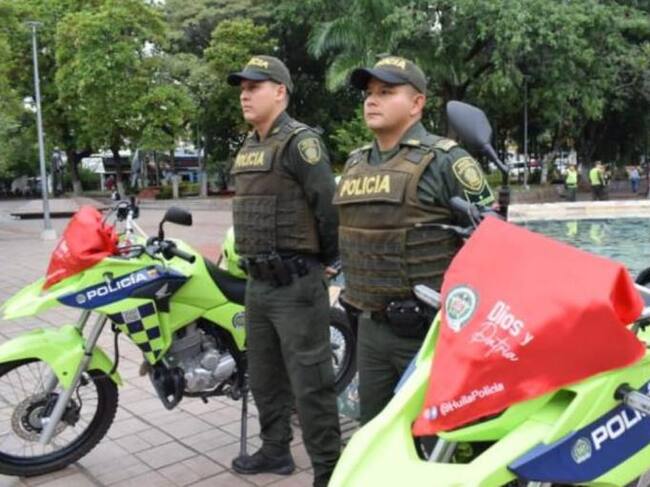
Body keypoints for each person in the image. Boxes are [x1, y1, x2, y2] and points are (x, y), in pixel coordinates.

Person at [333, 56, 495, 425]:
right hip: (369, 329)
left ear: (417, 103)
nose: (372, 100)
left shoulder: (446, 160)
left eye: (386, 92)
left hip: (428, 332)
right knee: (374, 430)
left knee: (438, 434)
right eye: (369, 93)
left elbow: (493, 242)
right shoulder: (356, 163)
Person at [226, 55, 341, 487]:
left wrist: (328, 263)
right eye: (242, 87)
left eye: (254, 86)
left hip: (296, 284)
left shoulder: (300, 143)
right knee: (264, 378)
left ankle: (329, 471)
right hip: (257, 285)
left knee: (311, 383)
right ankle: (275, 451)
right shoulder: (249, 146)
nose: (245, 95)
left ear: (280, 92)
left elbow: (328, 207)